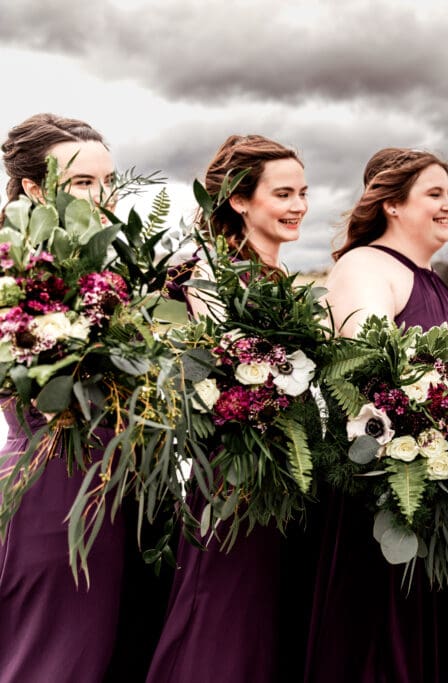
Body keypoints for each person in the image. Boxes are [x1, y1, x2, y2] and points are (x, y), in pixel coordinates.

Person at [0, 112, 171, 683]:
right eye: (82, 182)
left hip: (126, 490)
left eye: (108, 179)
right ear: (33, 188)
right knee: (52, 661)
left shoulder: (116, 272)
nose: (104, 196)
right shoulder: (13, 272)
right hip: (52, 490)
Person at [147, 134, 309, 683]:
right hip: (226, 475)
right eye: (283, 194)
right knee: (219, 610)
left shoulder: (283, 279)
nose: (298, 207)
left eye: (303, 193)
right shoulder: (202, 274)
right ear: (240, 201)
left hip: (284, 477)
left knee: (264, 620)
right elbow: (195, 373)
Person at [305, 148, 448, 682]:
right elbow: (371, 374)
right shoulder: (365, 266)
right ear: (393, 204)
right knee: (380, 649)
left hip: (430, 495)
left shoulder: (434, 279)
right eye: (434, 193)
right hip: (380, 491)